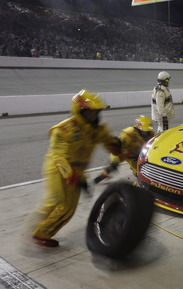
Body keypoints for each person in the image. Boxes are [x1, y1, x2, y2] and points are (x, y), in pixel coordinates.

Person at [30, 90, 122, 247]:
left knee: (66, 208)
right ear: (80, 111)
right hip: (58, 169)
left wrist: (117, 145)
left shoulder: (97, 129)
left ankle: (38, 228)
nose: (94, 115)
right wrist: (71, 176)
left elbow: (108, 141)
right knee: (60, 203)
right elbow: (58, 156)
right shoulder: (62, 130)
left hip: (78, 172)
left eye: (96, 112)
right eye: (90, 112)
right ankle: (40, 232)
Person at [94, 116, 155, 183]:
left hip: (136, 155)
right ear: (137, 128)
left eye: (147, 131)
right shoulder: (128, 133)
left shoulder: (151, 134)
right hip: (122, 152)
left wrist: (139, 155)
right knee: (113, 165)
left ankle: (136, 174)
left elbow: (150, 147)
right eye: (143, 131)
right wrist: (128, 155)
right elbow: (121, 146)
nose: (145, 133)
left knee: (139, 173)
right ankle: (101, 175)